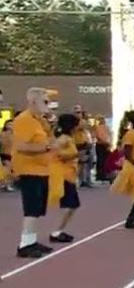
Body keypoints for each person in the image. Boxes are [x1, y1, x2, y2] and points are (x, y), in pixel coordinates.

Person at [11, 88, 55, 258]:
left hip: (42, 170)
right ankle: (24, 245)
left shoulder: (39, 121)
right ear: (33, 102)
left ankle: (31, 240)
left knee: (37, 209)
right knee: (31, 208)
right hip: (29, 170)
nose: (48, 105)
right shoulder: (24, 120)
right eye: (45, 102)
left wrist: (50, 123)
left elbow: (49, 138)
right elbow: (21, 146)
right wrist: (46, 147)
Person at [47, 113, 82, 243]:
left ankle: (58, 230)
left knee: (72, 205)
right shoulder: (64, 139)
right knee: (71, 205)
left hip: (69, 175)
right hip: (63, 175)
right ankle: (56, 231)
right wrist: (71, 155)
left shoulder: (69, 139)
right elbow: (53, 151)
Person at [93, 115, 111, 182]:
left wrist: (109, 144)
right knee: (100, 160)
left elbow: (109, 135)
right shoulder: (97, 127)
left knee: (106, 160)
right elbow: (98, 136)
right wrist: (105, 142)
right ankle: (99, 175)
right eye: (101, 119)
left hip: (106, 145)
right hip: (100, 145)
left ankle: (105, 174)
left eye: (103, 119)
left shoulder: (107, 127)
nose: (102, 120)